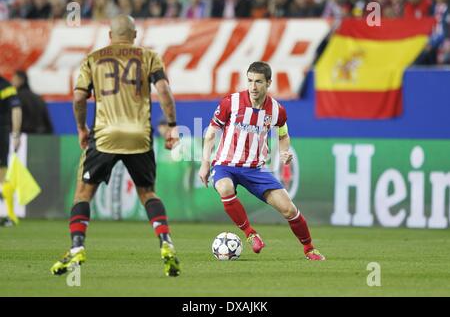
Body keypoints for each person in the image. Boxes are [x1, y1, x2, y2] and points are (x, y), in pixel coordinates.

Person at [50, 15, 181, 277]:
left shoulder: (93, 58)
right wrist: (172, 124)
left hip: (105, 134)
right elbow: (164, 90)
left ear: (110, 35)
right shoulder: (149, 56)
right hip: (139, 135)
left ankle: (77, 248)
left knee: (83, 194)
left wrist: (81, 127)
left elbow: (78, 97)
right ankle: (166, 243)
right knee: (148, 194)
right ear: (134, 35)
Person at [198, 62, 325, 261]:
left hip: (256, 170)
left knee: (289, 209)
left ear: (268, 83)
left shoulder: (277, 110)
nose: (253, 87)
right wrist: (205, 163)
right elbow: (211, 133)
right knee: (224, 188)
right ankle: (250, 234)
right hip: (225, 165)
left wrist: (284, 152)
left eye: (258, 82)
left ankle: (309, 248)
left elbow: (283, 135)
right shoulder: (230, 102)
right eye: (249, 81)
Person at [0, 75, 22, 227]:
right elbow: (16, 109)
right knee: (2, 173)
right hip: (2, 130)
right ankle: (10, 215)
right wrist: (16, 133)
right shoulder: (5, 86)